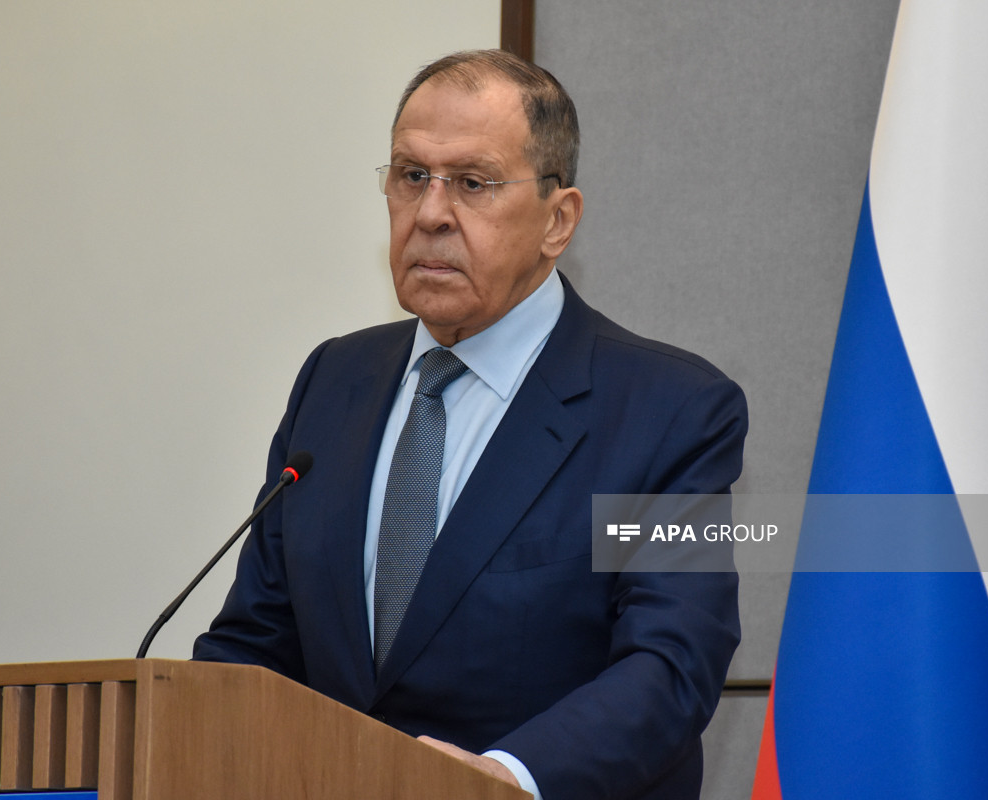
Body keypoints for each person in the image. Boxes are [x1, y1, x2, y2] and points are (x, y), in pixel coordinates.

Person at [193, 49, 747, 800]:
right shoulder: (334, 380)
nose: (430, 213)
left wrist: (503, 779)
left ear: (558, 221)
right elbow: (256, 641)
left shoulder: (671, 410)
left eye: (472, 183)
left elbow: (670, 664)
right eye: (411, 175)